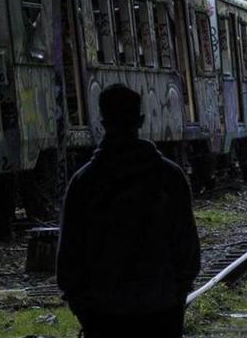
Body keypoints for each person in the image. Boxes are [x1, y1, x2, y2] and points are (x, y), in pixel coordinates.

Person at [57, 83, 201, 338]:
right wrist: (175, 298)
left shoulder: (84, 183)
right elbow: (187, 251)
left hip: (102, 317)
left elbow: (69, 261)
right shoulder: (170, 177)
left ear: (102, 122)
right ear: (141, 120)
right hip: (161, 311)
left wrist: (86, 312)